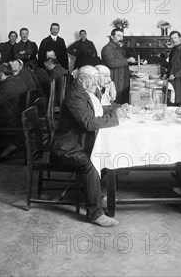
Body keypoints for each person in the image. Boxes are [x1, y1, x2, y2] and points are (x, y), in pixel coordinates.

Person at [51, 66, 127, 226]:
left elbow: (97, 110)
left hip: (79, 141)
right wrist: (115, 117)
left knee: (106, 155)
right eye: (92, 78)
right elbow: (89, 122)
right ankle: (95, 214)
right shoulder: (75, 96)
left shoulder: (85, 93)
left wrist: (118, 108)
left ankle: (99, 195)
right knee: (90, 164)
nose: (96, 81)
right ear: (81, 79)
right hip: (68, 146)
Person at [101, 28, 136, 104]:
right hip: (115, 82)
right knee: (115, 103)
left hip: (123, 82)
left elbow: (122, 65)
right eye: (118, 36)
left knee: (123, 104)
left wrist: (131, 72)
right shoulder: (107, 49)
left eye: (122, 36)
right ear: (112, 37)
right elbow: (112, 63)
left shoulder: (119, 49)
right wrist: (127, 60)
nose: (121, 38)